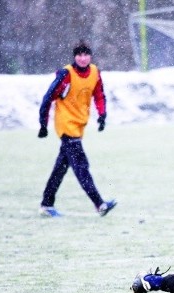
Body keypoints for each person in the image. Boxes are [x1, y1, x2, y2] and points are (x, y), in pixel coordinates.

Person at [37, 40, 116, 218]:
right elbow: (48, 97)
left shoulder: (95, 72)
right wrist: (43, 124)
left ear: (90, 56)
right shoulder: (66, 74)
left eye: (86, 54)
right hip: (66, 125)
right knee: (81, 166)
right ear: (75, 56)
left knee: (61, 167)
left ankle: (46, 204)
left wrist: (102, 115)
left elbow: (99, 94)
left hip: (79, 125)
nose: (83, 58)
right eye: (79, 54)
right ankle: (99, 204)